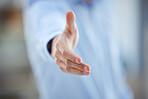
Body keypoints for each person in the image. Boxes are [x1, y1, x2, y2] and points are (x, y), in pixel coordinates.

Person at [24, 0, 133, 99]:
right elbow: (48, 25)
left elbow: (115, 71)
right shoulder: (45, 4)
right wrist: (57, 44)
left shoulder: (106, 4)